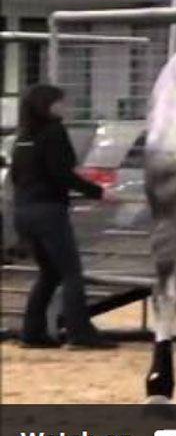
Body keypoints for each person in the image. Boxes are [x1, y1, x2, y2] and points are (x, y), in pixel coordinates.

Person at [11, 84, 118, 350]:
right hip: (49, 211)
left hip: (24, 211)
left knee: (49, 273)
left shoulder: (23, 136)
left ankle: (32, 332)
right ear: (49, 105)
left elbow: (16, 176)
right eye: (61, 102)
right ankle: (80, 333)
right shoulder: (54, 132)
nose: (65, 107)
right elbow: (63, 174)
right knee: (72, 273)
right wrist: (98, 193)